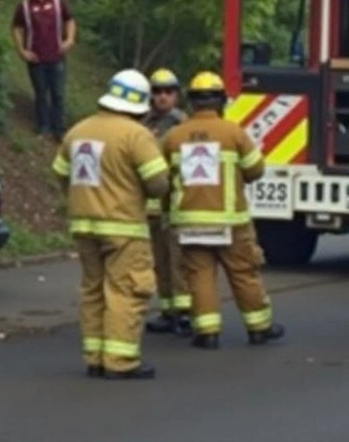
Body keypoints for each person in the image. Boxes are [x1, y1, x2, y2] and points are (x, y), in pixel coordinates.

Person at [52, 69, 169, 380]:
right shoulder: (136, 135)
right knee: (126, 290)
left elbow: (60, 172)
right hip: (123, 227)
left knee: (93, 289)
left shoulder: (78, 131)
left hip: (83, 224)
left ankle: (95, 357)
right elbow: (158, 183)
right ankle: (120, 360)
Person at [163, 71, 285, 350]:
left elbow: (161, 179)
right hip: (232, 221)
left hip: (190, 220)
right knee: (243, 272)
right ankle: (259, 328)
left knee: (200, 275)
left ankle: (207, 333)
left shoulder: (174, 136)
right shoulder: (234, 133)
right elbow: (255, 170)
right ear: (220, 101)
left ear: (191, 101)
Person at [142, 68, 192, 336]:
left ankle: (185, 313)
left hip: (176, 204)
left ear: (177, 95)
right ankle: (168, 310)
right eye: (157, 92)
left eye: (168, 92)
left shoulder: (184, 125)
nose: (162, 97)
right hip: (150, 207)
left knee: (179, 261)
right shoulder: (140, 123)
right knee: (159, 263)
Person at [11, 0, 77, 141]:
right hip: (36, 57)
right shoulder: (24, 6)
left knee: (58, 94)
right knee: (41, 93)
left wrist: (69, 39)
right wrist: (21, 50)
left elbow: (69, 20)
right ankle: (43, 127)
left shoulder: (57, 2)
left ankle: (60, 129)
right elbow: (17, 28)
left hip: (57, 55)